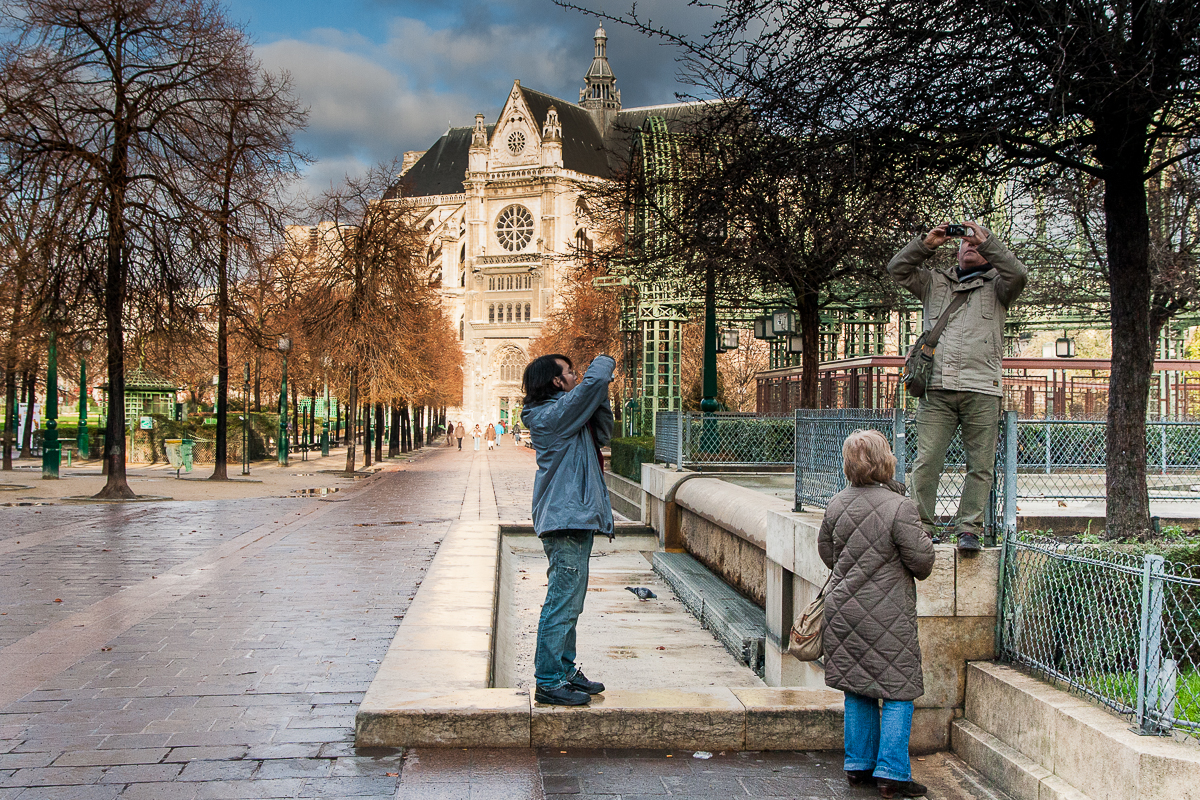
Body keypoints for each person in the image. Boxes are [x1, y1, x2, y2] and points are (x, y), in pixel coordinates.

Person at [887, 221, 1027, 552]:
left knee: (981, 465)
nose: (969, 247)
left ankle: (970, 530)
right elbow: (897, 269)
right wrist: (926, 243)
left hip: (983, 388)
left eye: (977, 245)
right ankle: (921, 526)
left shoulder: (1000, 287)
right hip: (936, 387)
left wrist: (988, 240)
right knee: (927, 460)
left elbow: (1019, 275)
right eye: (965, 243)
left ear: (990, 253)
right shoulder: (933, 281)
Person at [819, 429, 935, 798]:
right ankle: (891, 772)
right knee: (899, 691)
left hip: (843, 611)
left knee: (857, 687)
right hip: (886, 614)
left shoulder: (836, 503)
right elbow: (922, 562)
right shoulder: (901, 507)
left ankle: (857, 765)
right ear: (885, 461)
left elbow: (828, 554)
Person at [521, 352, 615, 706]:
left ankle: (564, 668)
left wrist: (598, 396)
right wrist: (602, 364)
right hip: (565, 517)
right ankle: (548, 680)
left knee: (572, 601)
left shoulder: (569, 414)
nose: (576, 376)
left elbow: (604, 431)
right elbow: (592, 382)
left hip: (577, 515)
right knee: (561, 600)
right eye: (569, 372)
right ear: (556, 382)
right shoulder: (549, 417)